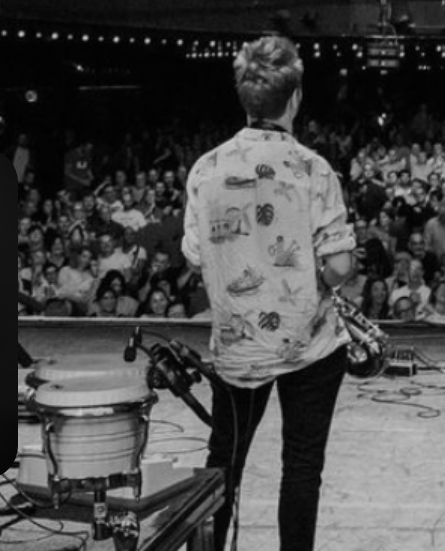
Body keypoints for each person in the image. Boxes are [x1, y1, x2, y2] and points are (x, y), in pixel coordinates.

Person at [181, 35, 355, 551]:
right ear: (294, 98)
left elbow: (195, 256)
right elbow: (339, 266)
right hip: (310, 346)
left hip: (238, 345)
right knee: (301, 466)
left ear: (246, 99)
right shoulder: (313, 169)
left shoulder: (206, 168)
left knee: (223, 464)